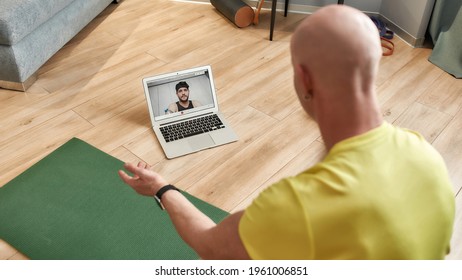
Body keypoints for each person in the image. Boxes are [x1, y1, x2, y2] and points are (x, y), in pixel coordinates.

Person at [118, 5, 455, 259]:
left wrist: (162, 188)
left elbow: (211, 246)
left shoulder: (296, 206)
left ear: (305, 80)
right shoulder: (428, 156)